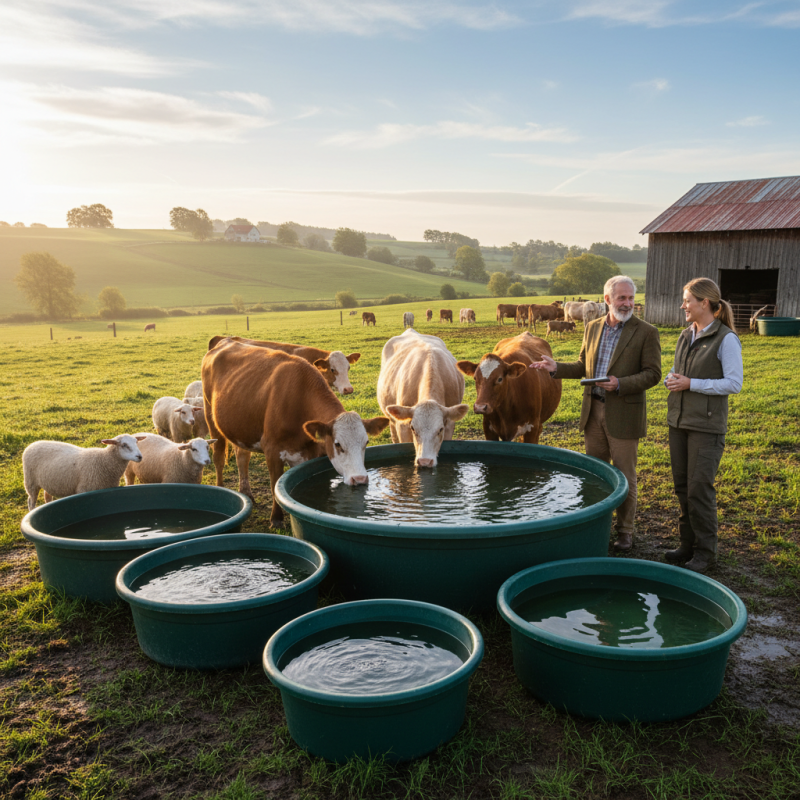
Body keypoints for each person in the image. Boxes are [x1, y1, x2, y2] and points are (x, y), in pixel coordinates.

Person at [531, 276, 661, 551]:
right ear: (607, 300)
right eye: (621, 298)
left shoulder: (646, 332)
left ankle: (625, 530)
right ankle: (596, 523)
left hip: (624, 411)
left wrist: (621, 384)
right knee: (596, 472)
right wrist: (556, 368)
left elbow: (653, 374)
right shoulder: (591, 327)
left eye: (630, 298)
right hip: (594, 411)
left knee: (625, 475)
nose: (627, 303)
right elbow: (582, 366)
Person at [664, 277, 743, 574]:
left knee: (699, 489)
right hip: (679, 421)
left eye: (687, 301)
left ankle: (706, 553)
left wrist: (691, 383)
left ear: (704, 303)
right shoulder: (686, 335)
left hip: (706, 427)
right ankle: (687, 544)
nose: (683, 305)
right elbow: (680, 373)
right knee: (683, 486)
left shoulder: (726, 339)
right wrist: (673, 379)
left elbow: (734, 384)